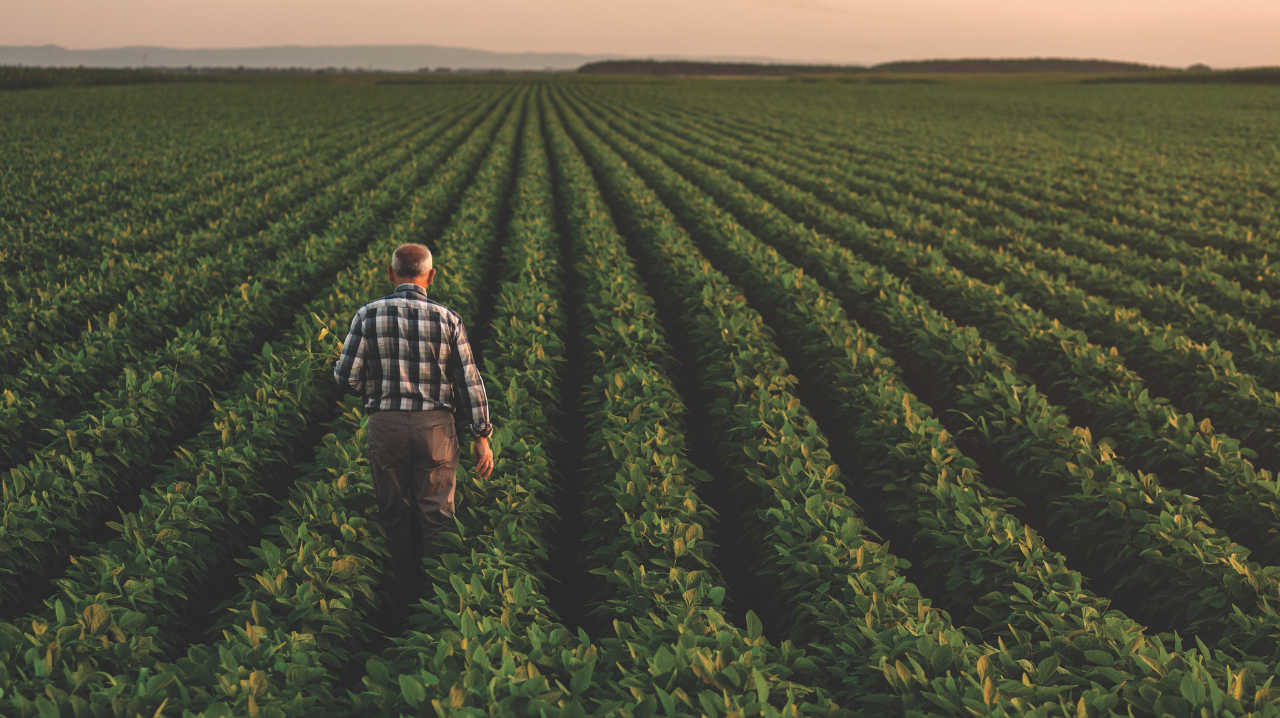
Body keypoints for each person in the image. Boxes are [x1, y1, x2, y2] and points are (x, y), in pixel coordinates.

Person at [333, 243, 494, 602]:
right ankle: (437, 599)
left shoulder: (367, 315)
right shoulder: (448, 319)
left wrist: (370, 386)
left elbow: (345, 377)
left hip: (386, 423)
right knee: (437, 516)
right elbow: (470, 380)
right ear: (430, 276)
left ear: (390, 273)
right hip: (436, 427)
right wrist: (481, 434)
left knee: (394, 513)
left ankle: (400, 597)